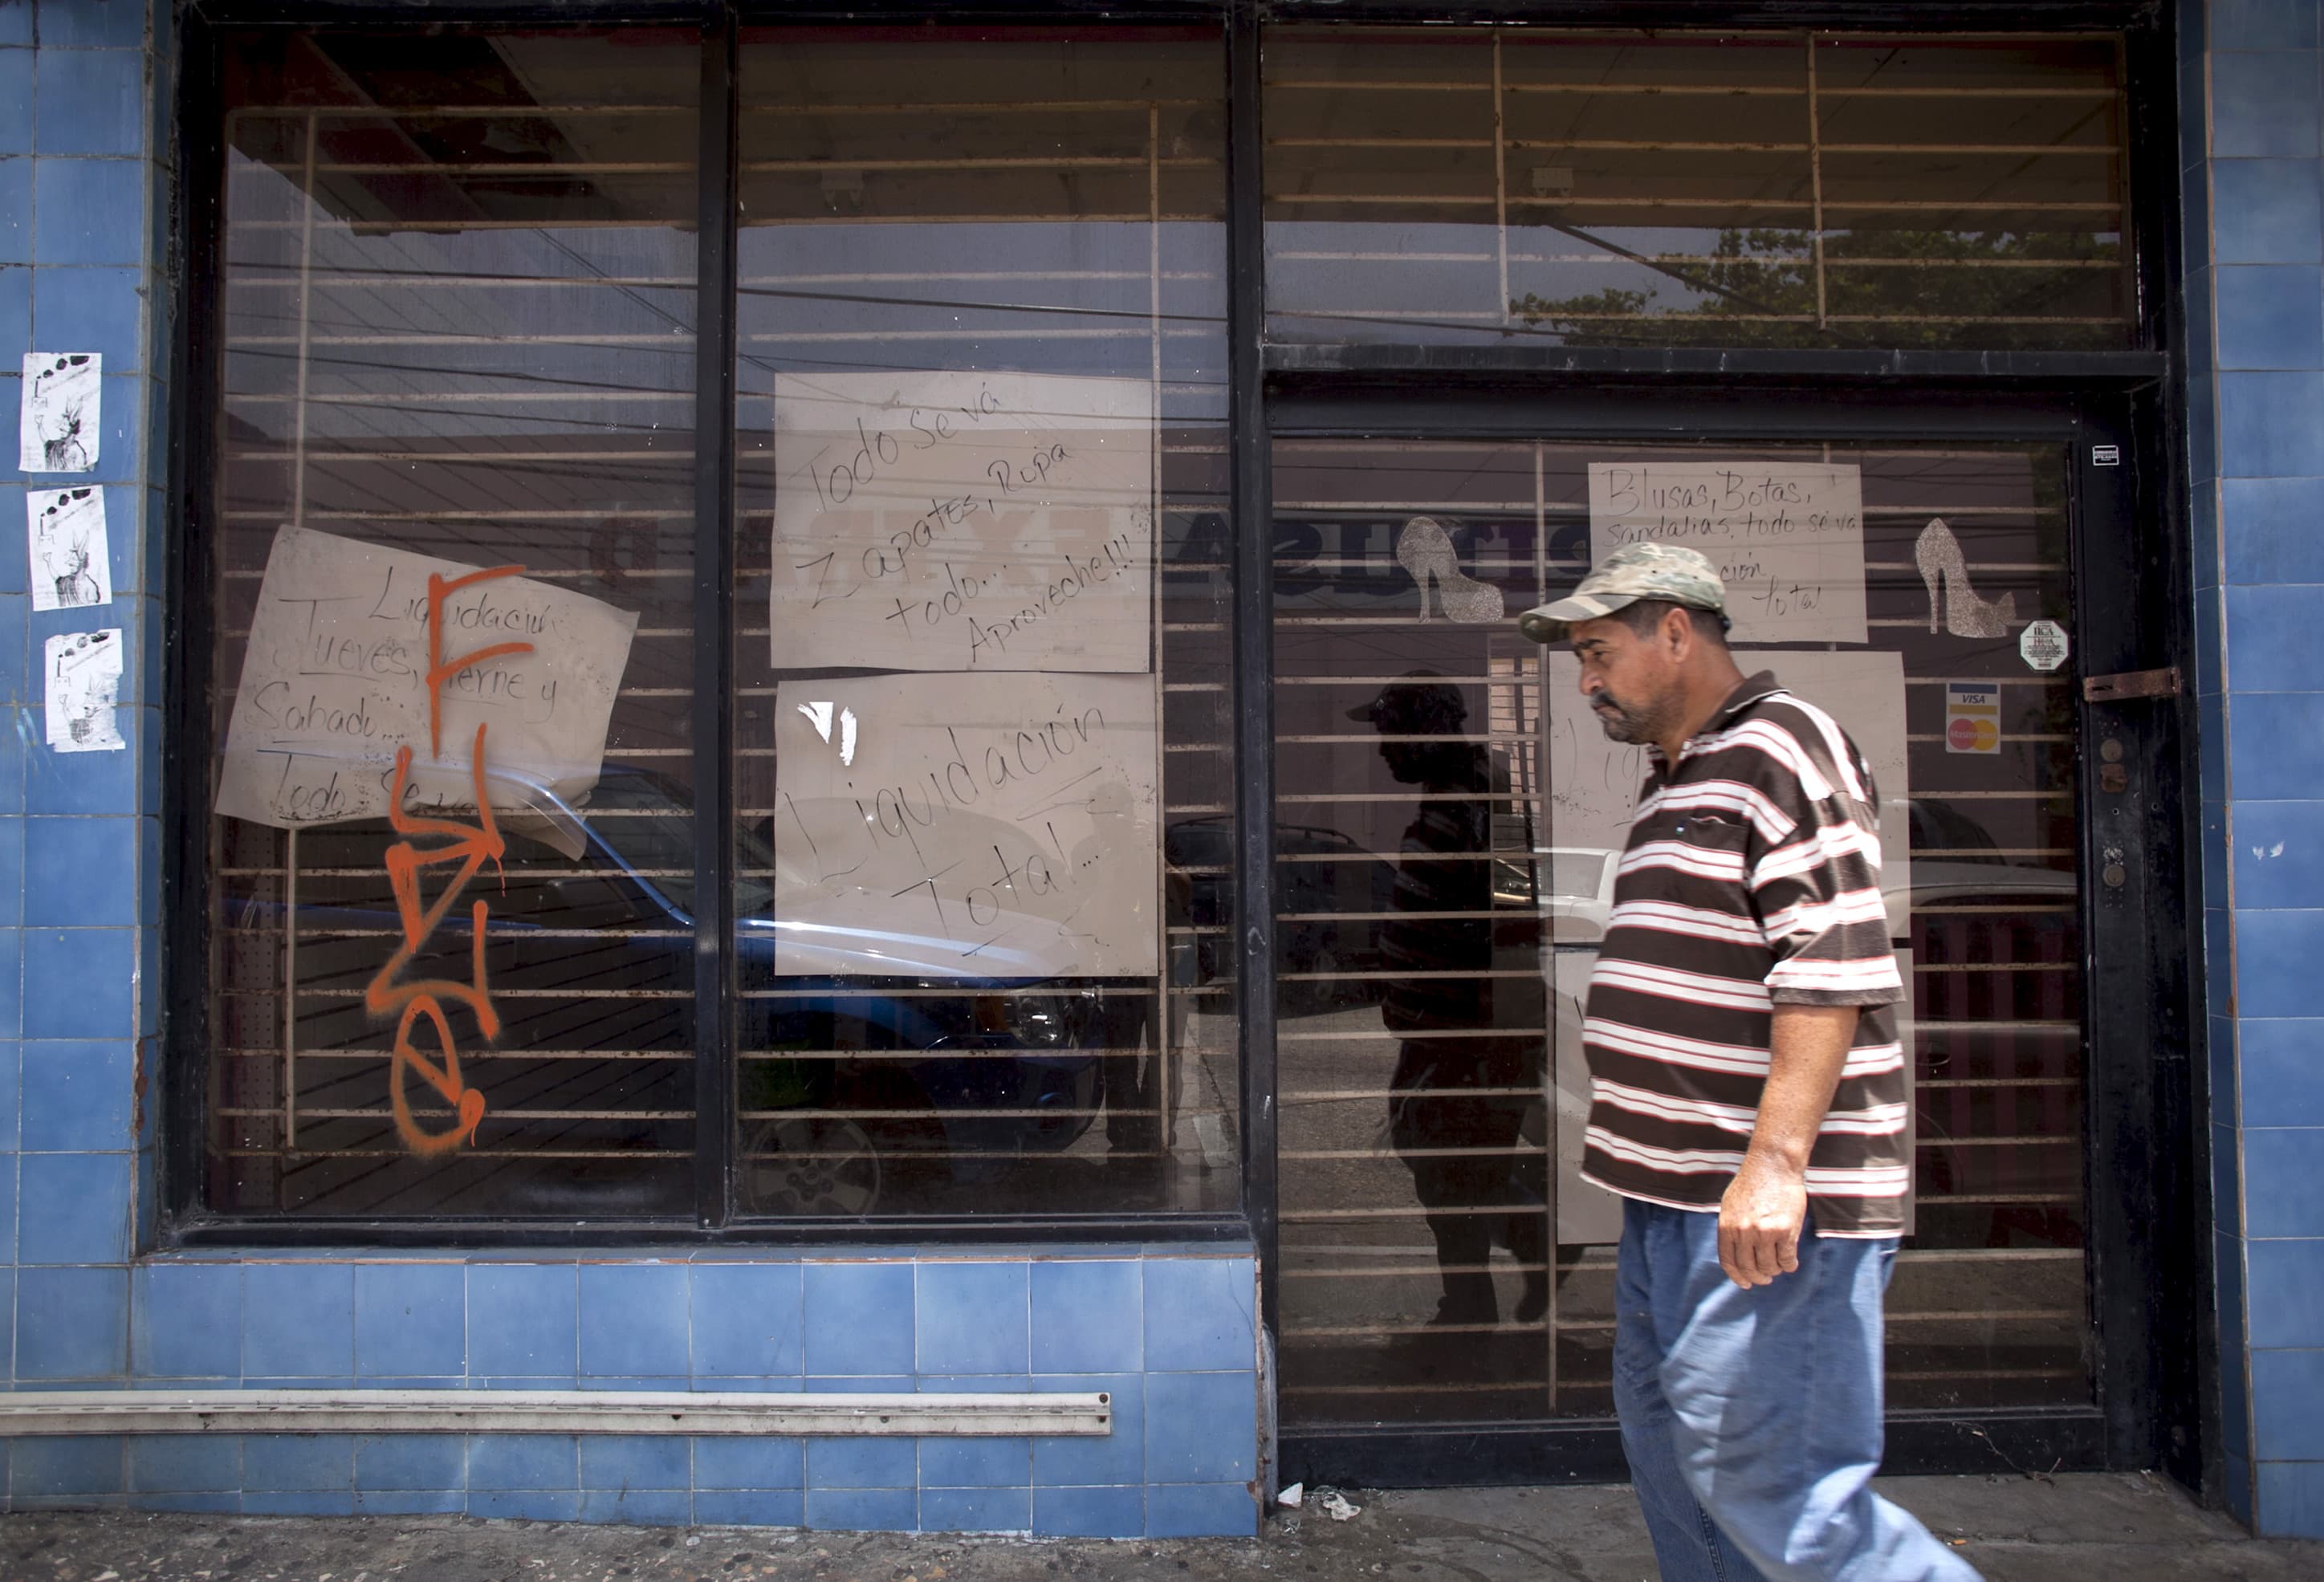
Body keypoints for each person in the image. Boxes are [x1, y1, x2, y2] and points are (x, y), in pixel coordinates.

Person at [1518, 543, 1979, 1582]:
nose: (1585, 680)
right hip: (1670, 1199)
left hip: (1760, 1215)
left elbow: (1828, 965)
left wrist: (1774, 1161)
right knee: (1681, 1460)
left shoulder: (1782, 746)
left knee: (1781, 1491)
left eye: (1597, 651)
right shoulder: (1679, 776)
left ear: (1674, 629)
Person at [1349, 676, 1549, 1331]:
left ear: (1420, 733)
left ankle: (1515, 1255)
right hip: (1449, 1031)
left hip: (1469, 1034)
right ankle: (1484, 1281)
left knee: (1447, 1163)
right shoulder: (1456, 795)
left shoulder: (1475, 802)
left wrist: (1481, 1029)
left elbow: (1510, 924)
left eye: (1388, 734)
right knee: (1440, 1158)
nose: (1382, 751)